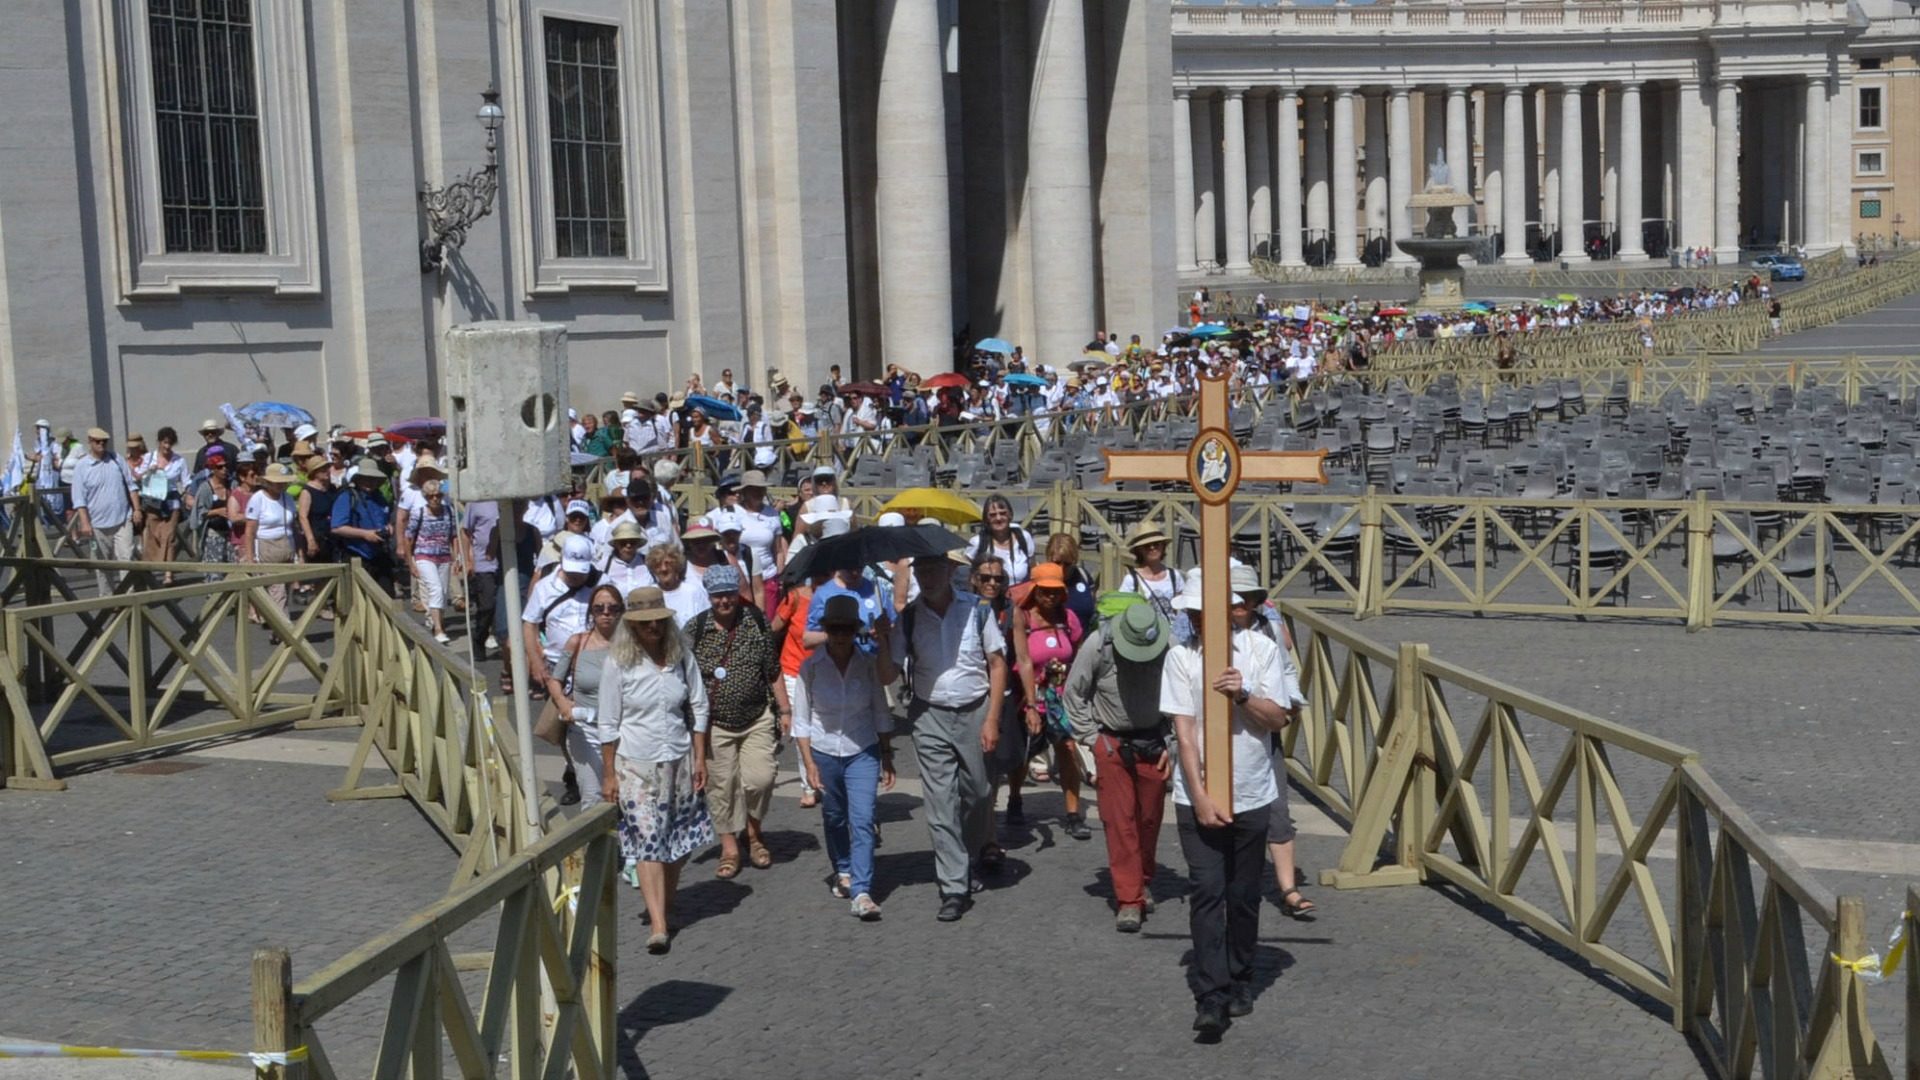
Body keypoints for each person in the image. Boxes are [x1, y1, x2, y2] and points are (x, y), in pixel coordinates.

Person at [1161, 570, 1302, 1039]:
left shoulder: (1261, 649)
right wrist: (1199, 795)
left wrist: (1241, 694)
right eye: (1195, 614)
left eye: (1208, 613)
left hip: (1253, 791)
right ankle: (1211, 995)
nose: (1201, 621)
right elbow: (1184, 732)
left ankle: (1240, 976)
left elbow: (1278, 719)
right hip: (1196, 796)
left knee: (1242, 897)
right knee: (1206, 892)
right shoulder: (1179, 657)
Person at [881, 550, 1007, 922]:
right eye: (922, 568)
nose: (929, 575)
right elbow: (887, 675)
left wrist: (993, 719)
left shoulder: (977, 609)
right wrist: (881, 639)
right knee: (940, 803)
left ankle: (965, 856)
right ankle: (953, 885)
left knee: (980, 792)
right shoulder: (907, 620)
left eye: (936, 568)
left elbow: (997, 665)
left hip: (975, 710)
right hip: (929, 714)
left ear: (951, 570)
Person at [596, 585, 713, 955]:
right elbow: (608, 721)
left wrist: (699, 757)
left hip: (678, 759)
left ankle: (664, 902)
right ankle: (658, 924)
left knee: (677, 842)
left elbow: (699, 704)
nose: (653, 630)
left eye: (658, 623)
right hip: (636, 764)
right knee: (648, 841)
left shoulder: (681, 656)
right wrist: (609, 773)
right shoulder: (619, 662)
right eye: (644, 624)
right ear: (632, 626)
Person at [1066, 599, 1175, 933]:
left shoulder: (1169, 646)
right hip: (1112, 744)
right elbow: (1073, 693)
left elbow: (1185, 697)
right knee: (1119, 822)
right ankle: (1129, 899)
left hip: (1154, 743)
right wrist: (1092, 738)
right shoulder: (1098, 644)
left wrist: (1172, 744)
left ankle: (1142, 879)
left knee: (1149, 819)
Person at [792, 593, 895, 921]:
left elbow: (880, 709)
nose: (839, 635)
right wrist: (808, 763)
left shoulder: (866, 666)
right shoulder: (810, 668)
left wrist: (887, 754)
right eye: (834, 629)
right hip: (824, 752)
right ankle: (844, 868)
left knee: (863, 819)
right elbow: (802, 720)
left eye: (846, 629)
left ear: (854, 630)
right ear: (826, 631)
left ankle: (862, 890)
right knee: (835, 817)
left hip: (862, 750)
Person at [1228, 564, 1315, 919]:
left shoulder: (1269, 628)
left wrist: (1294, 702)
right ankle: (1228, 882)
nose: (1241, 605)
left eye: (1247, 599)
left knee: (1278, 810)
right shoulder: (1206, 631)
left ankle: (1288, 889)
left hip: (1263, 727)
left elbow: (1286, 668)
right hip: (1222, 733)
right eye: (1235, 599)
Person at [686, 565, 782, 879]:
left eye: (729, 594)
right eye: (717, 596)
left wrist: (787, 710)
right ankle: (730, 846)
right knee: (720, 786)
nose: (724, 601)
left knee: (761, 779)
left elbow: (773, 669)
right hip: (714, 722)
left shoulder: (755, 622)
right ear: (709, 596)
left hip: (756, 717)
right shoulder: (695, 629)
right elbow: (683, 677)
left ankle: (752, 830)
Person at [1010, 562, 1089, 839]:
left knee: (1067, 749)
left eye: (1055, 592)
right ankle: (1015, 798)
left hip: (1060, 697)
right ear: (1035, 590)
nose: (1050, 597)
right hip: (1030, 696)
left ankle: (1072, 813)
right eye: (1045, 591)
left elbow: (1078, 654)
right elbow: (1019, 660)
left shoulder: (1068, 619)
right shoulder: (1023, 618)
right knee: (1024, 751)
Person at [524, 533, 601, 805]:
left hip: (594, 662)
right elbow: (530, 623)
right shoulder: (545, 587)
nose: (578, 578)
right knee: (564, 726)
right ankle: (576, 774)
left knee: (595, 721)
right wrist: (535, 662)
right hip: (558, 666)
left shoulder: (600, 583)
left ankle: (593, 774)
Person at [546, 583, 623, 813]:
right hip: (585, 730)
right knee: (593, 798)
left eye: (612, 608)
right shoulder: (578, 642)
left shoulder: (631, 645)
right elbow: (554, 680)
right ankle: (596, 848)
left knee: (623, 797)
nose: (606, 613)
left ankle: (618, 848)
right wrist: (563, 703)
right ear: (591, 612)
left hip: (623, 731)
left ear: (621, 611)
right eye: (599, 608)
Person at [771, 567, 830, 810]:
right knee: (800, 727)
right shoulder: (795, 597)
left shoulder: (835, 599)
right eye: (818, 574)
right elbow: (773, 628)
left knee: (822, 726)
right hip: (793, 670)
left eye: (826, 575)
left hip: (825, 670)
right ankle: (808, 786)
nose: (821, 579)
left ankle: (824, 780)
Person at [71, 427, 142, 596]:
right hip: (97, 524)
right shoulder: (82, 466)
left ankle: (129, 596)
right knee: (103, 564)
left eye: (104, 441)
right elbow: (79, 499)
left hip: (122, 519)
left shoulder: (117, 459)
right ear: (89, 441)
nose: (101, 444)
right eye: (97, 441)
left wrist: (137, 509)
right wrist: (85, 523)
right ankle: (108, 599)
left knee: (126, 558)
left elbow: (131, 486)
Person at [406, 479, 463, 643]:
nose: (435, 499)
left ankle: (437, 621)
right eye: (431, 496)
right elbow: (409, 538)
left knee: (443, 593)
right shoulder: (419, 513)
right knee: (435, 589)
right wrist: (411, 563)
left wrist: (457, 558)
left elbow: (454, 536)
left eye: (438, 495)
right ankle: (439, 628)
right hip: (424, 555)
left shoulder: (449, 511)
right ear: (426, 497)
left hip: (444, 556)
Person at [331, 458, 397, 595]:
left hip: (379, 554)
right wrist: (365, 534)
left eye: (373, 479)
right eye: (366, 478)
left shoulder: (379, 497)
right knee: (357, 597)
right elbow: (337, 527)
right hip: (356, 553)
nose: (370, 482)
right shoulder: (347, 497)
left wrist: (389, 528)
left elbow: (385, 518)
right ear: (359, 479)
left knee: (386, 595)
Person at [247, 462, 300, 617]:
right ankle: (284, 630)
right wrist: (251, 559)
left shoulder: (287, 498)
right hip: (267, 548)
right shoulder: (258, 499)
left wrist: (299, 554)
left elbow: (294, 526)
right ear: (268, 482)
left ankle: (271, 619)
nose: (281, 485)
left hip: (287, 547)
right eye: (278, 482)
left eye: (284, 482)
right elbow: (250, 531)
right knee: (278, 592)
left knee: (284, 591)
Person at [1116, 523, 1183, 619]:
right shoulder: (1131, 580)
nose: (1152, 548)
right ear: (1139, 550)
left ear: (1163, 546)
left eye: (1156, 544)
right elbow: (1122, 610)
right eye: (1147, 545)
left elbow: (1182, 608)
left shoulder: (1174, 575)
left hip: (1171, 631)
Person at [966, 494, 1034, 584]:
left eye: (1003, 513)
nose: (998, 518)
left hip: (1020, 595)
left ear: (1010, 514)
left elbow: (1033, 568)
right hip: (988, 596)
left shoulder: (1024, 537)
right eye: (992, 515)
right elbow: (967, 573)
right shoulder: (978, 542)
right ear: (986, 518)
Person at [648, 543, 709, 627]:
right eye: (658, 565)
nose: (663, 569)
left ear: (677, 565)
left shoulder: (693, 592)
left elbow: (706, 622)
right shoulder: (649, 594)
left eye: (668, 564)